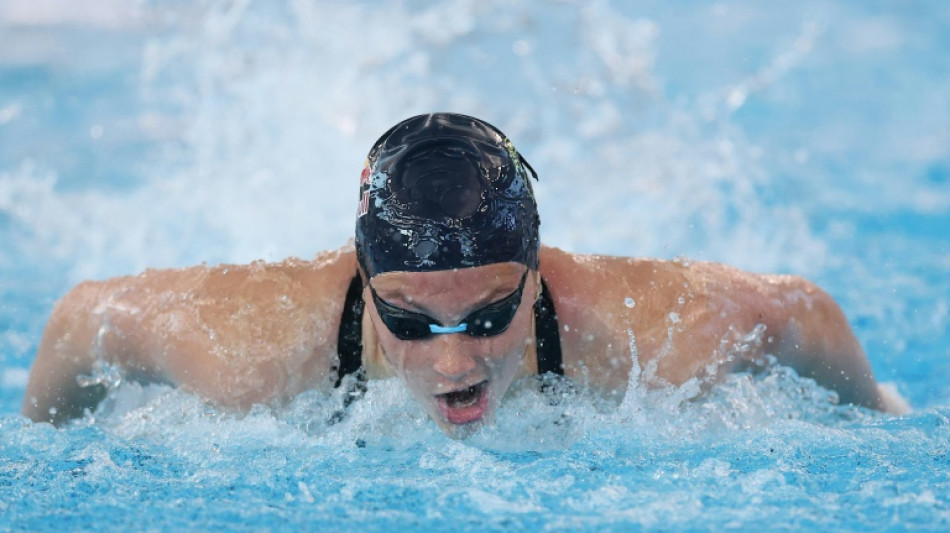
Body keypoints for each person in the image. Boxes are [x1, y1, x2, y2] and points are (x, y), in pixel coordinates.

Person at [22, 113, 908, 436]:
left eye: (490, 313)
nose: (456, 364)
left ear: (537, 274)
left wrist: (887, 417)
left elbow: (804, 312)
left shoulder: (654, 335)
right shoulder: (249, 351)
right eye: (409, 321)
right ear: (364, 286)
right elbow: (80, 318)